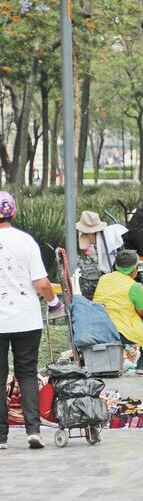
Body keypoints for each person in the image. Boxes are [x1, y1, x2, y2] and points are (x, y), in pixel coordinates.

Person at [0, 192, 62, 450]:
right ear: (13, 212)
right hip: (26, 320)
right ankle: (33, 430)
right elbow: (41, 282)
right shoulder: (26, 241)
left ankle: (1, 437)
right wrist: (54, 303)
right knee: (26, 373)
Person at [93, 249, 143, 375]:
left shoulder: (103, 279)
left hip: (101, 329)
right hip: (121, 333)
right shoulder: (134, 286)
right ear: (134, 269)